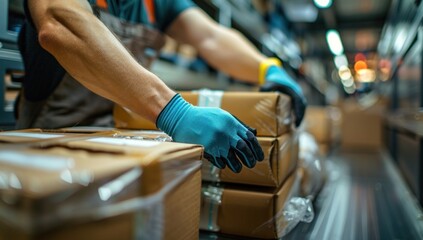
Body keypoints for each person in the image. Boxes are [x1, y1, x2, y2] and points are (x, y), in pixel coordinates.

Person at [17, 0, 307, 173]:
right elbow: (58, 24)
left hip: (119, 143)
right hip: (51, 145)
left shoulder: (157, 3)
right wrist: (174, 112)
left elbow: (210, 37)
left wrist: (266, 67)